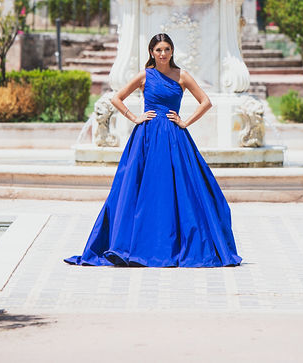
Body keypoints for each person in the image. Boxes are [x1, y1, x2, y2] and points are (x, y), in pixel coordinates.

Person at [65, 33, 242, 267]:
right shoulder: (144, 75)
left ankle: (175, 243)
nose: (163, 53)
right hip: (146, 138)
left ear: (172, 51)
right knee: (139, 189)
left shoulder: (182, 75)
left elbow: (206, 102)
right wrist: (134, 117)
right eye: (158, 50)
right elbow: (117, 98)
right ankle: (136, 242)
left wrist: (185, 122)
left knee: (181, 189)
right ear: (151, 52)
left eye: (167, 49)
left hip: (174, 137)